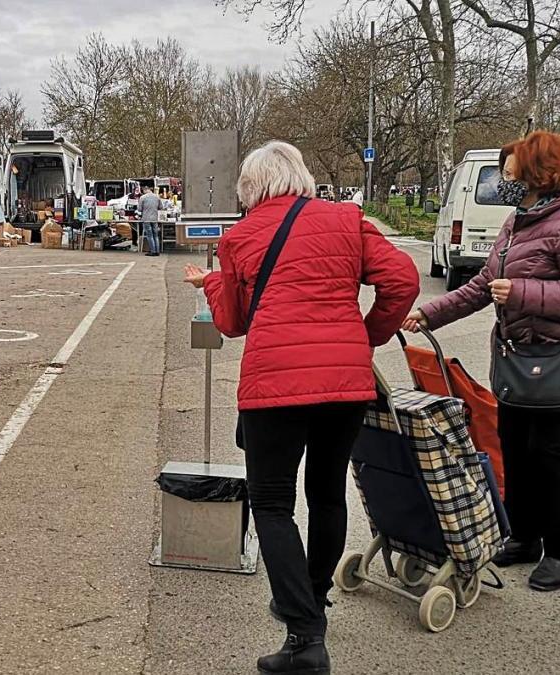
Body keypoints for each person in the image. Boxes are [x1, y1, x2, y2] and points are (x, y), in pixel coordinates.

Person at [183, 141, 419, 675]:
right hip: (345, 385)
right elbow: (402, 280)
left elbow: (233, 323)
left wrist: (215, 283)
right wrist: (366, 336)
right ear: (301, 176)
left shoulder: (239, 238)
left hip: (276, 387)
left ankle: (304, 633)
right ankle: (312, 599)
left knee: (271, 504)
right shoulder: (346, 220)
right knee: (327, 492)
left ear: (250, 187)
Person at [403, 130, 560, 592]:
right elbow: (483, 284)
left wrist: (522, 292)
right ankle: (523, 537)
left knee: (549, 455)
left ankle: (559, 549)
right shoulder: (517, 220)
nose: (504, 180)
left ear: (538, 174)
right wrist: (429, 313)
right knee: (515, 450)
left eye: (511, 172)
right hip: (518, 359)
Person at [138, 186, 162, 256]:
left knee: (150, 235)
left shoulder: (143, 197)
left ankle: (152, 251)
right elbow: (161, 207)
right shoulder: (157, 197)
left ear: (145, 190)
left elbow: (139, 209)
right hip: (155, 218)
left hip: (146, 219)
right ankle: (157, 251)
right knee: (156, 235)